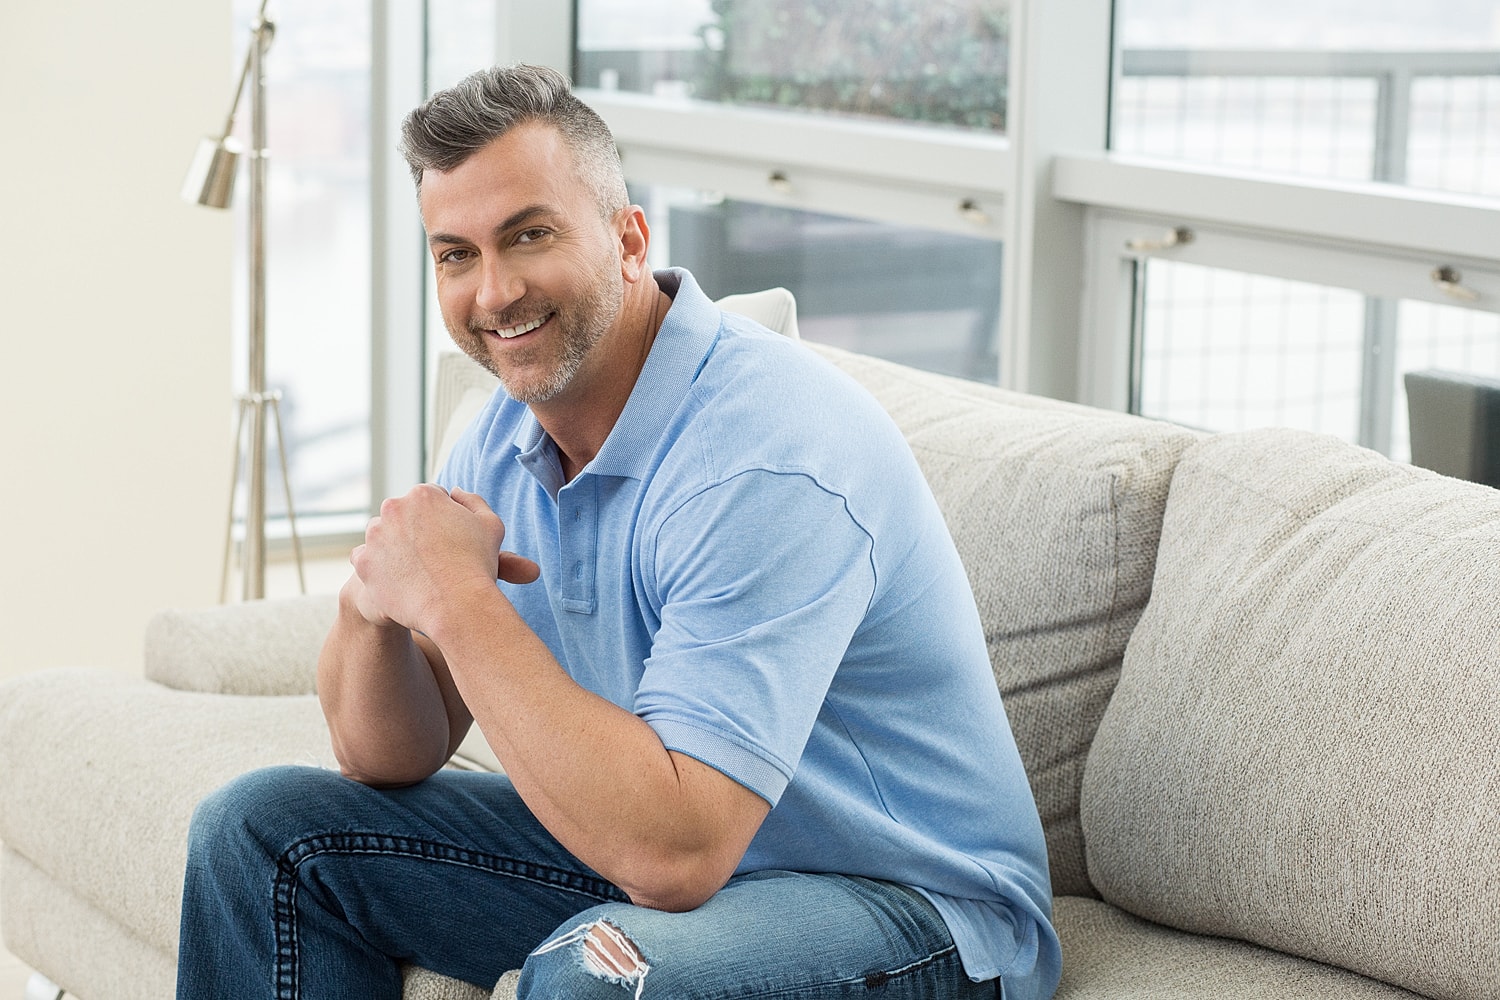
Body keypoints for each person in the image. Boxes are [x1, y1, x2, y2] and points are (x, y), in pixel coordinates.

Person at [176, 64, 1060, 1000]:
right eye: (456, 254)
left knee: (604, 976)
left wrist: (459, 599)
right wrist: (372, 603)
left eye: (530, 236)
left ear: (629, 239)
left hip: (914, 905)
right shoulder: (505, 431)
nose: (495, 291)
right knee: (262, 835)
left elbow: (675, 856)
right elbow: (387, 753)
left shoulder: (765, 456)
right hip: (679, 857)